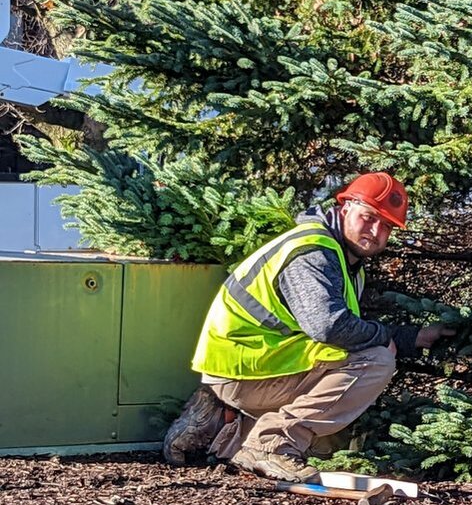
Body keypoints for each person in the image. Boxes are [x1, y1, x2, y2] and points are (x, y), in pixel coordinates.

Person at [162, 172, 454, 482]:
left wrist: (415, 338)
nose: (375, 231)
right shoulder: (313, 252)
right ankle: (271, 445)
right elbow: (329, 327)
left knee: (339, 413)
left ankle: (219, 423)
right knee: (376, 361)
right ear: (345, 207)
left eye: (387, 226)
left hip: (255, 363)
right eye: (369, 217)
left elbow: (346, 327)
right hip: (246, 368)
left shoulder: (342, 257)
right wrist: (384, 339)